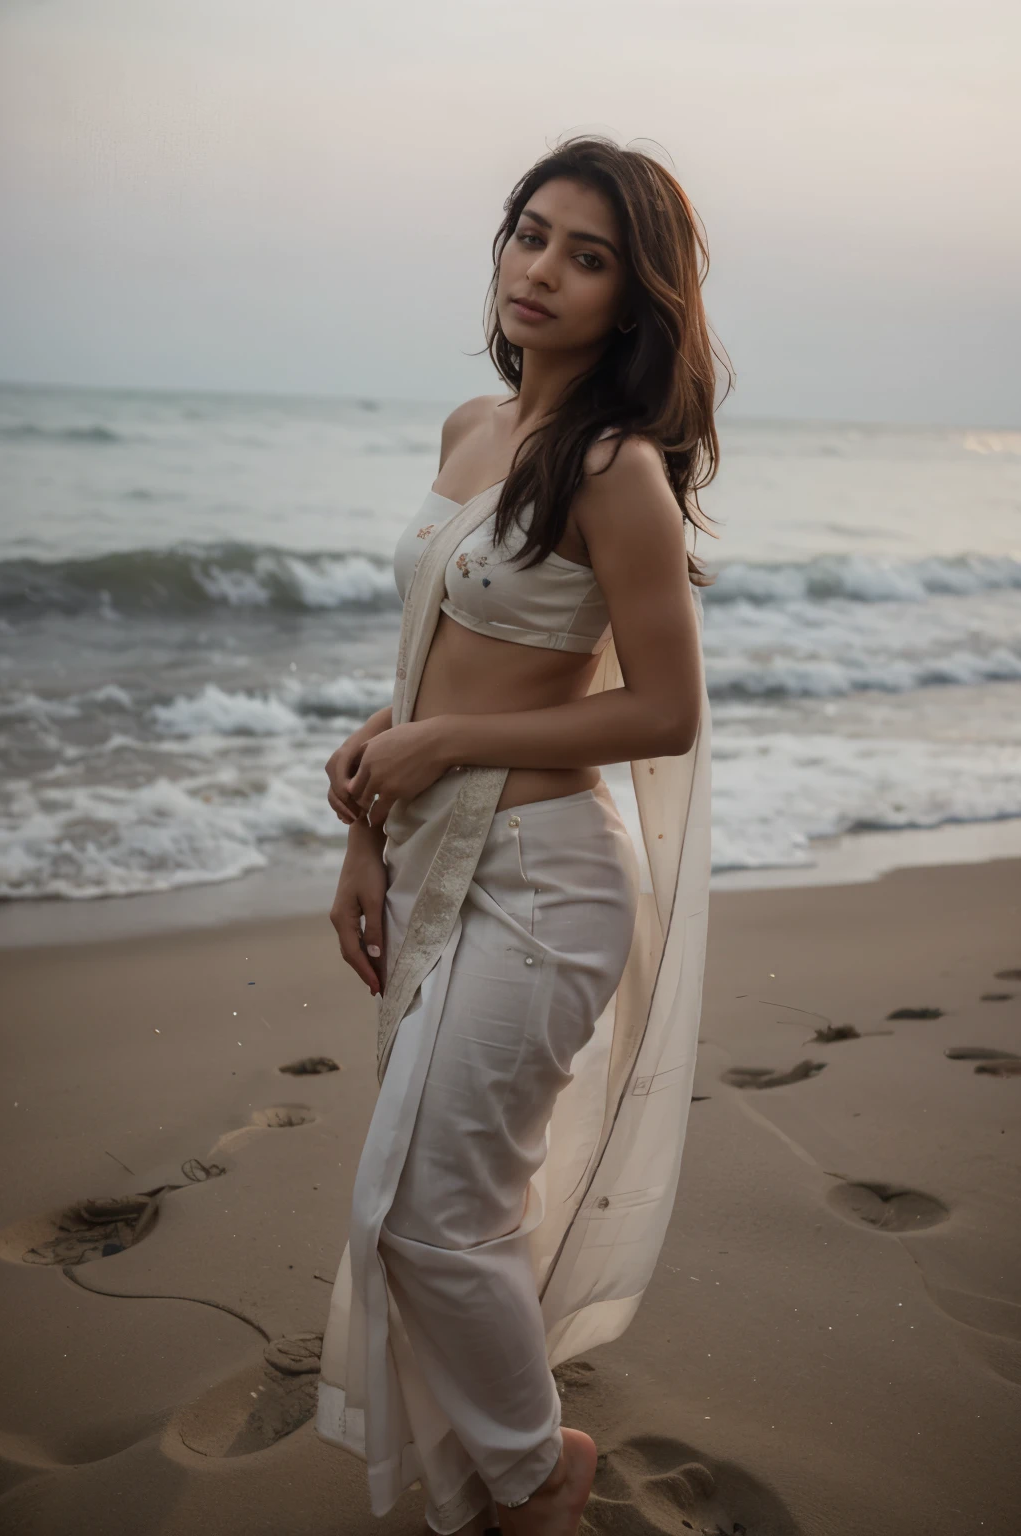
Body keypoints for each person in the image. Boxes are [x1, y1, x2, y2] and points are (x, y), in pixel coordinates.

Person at [315, 133, 725, 1536]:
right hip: (430, 855)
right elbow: (427, 664)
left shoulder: (616, 470)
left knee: (430, 1214)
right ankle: (522, 1464)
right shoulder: (469, 431)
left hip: (549, 888)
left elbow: (663, 710)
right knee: (425, 1201)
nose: (541, 270)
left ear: (634, 299)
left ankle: (537, 1474)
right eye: (530, 234)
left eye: (587, 255)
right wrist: (369, 816)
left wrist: (447, 744)